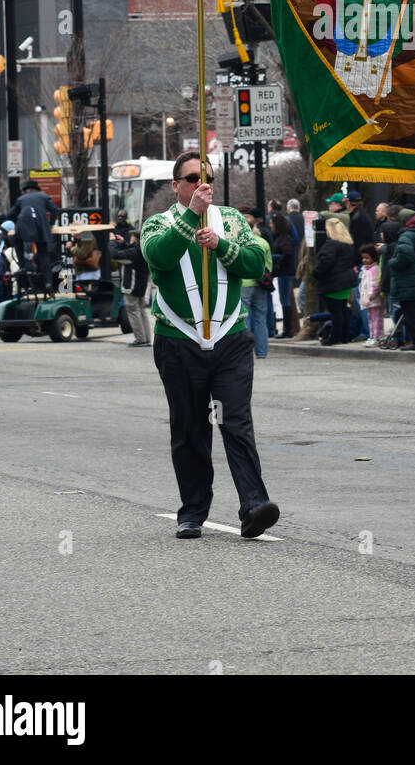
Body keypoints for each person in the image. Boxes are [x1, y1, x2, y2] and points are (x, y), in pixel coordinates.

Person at [141, 152, 279, 540]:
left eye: (208, 178)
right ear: (175, 185)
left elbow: (255, 264)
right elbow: (159, 257)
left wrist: (220, 244)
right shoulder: (158, 222)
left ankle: (255, 505)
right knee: (190, 428)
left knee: (236, 422)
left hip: (230, 338)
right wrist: (190, 218)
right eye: (191, 178)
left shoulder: (231, 220)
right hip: (178, 340)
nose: (201, 184)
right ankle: (192, 510)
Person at [388, 208, 415, 350]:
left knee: (411, 314)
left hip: (408, 282)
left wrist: (392, 263)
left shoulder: (406, 236)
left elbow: (405, 256)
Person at [312, 214, 358, 345]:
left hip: (332, 282)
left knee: (335, 312)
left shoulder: (331, 245)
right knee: (342, 309)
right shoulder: (348, 244)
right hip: (345, 281)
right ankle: (343, 337)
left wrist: (315, 273)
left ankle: (335, 338)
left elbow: (325, 263)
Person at [7, 180, 58, 288]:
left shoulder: (21, 199)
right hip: (41, 227)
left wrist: (17, 222)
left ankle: (22, 266)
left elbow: (10, 215)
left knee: (17, 241)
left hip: (23, 224)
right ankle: (48, 281)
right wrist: (51, 224)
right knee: (43, 254)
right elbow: (54, 209)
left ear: (25, 190)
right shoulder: (44, 197)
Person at [110, 228, 152, 346]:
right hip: (141, 286)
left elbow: (115, 254)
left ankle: (140, 339)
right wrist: (123, 243)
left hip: (131, 286)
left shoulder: (134, 252)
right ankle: (146, 338)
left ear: (135, 238)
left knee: (133, 311)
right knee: (142, 311)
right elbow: (129, 250)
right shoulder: (142, 249)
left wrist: (112, 241)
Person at [240, 211, 273, 359]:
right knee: (260, 317)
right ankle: (261, 351)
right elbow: (269, 265)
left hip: (244, 282)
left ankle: (245, 350)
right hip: (261, 283)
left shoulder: (238, 242)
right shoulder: (263, 242)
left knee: (244, 318)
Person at [270, 212, 296, 338]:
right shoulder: (282, 237)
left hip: (284, 272)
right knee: (284, 300)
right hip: (284, 272)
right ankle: (287, 329)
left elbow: (287, 254)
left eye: (272, 223)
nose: (270, 225)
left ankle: (288, 329)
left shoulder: (284, 238)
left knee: (285, 301)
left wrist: (276, 261)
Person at [359, 244, 383, 346]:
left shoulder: (374, 269)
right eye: (363, 258)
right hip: (368, 300)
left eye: (367, 258)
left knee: (376, 320)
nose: (364, 260)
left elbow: (375, 284)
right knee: (371, 320)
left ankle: (377, 337)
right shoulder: (365, 269)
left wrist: (370, 295)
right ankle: (372, 336)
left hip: (374, 300)